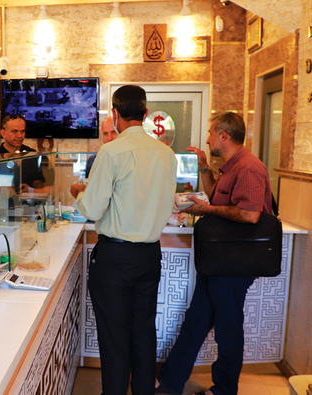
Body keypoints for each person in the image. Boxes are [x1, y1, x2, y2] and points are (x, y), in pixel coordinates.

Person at [155, 112, 273, 395]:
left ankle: (224, 389)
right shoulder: (230, 166)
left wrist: (204, 210)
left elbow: (250, 214)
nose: (207, 139)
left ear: (224, 136)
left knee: (228, 330)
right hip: (219, 261)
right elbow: (218, 198)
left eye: (210, 133)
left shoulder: (249, 168)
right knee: (196, 321)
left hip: (235, 263)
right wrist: (205, 168)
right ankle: (171, 382)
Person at [70, 85, 177, 395]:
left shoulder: (111, 151)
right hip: (149, 257)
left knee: (114, 337)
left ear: (114, 115)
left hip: (115, 259)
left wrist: (80, 195)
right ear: (145, 114)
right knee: (143, 331)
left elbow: (91, 208)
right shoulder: (166, 153)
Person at [0, 114, 45, 191]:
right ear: (3, 133)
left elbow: (39, 185)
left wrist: (30, 191)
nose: (19, 136)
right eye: (14, 131)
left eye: (22, 131)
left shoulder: (31, 154)